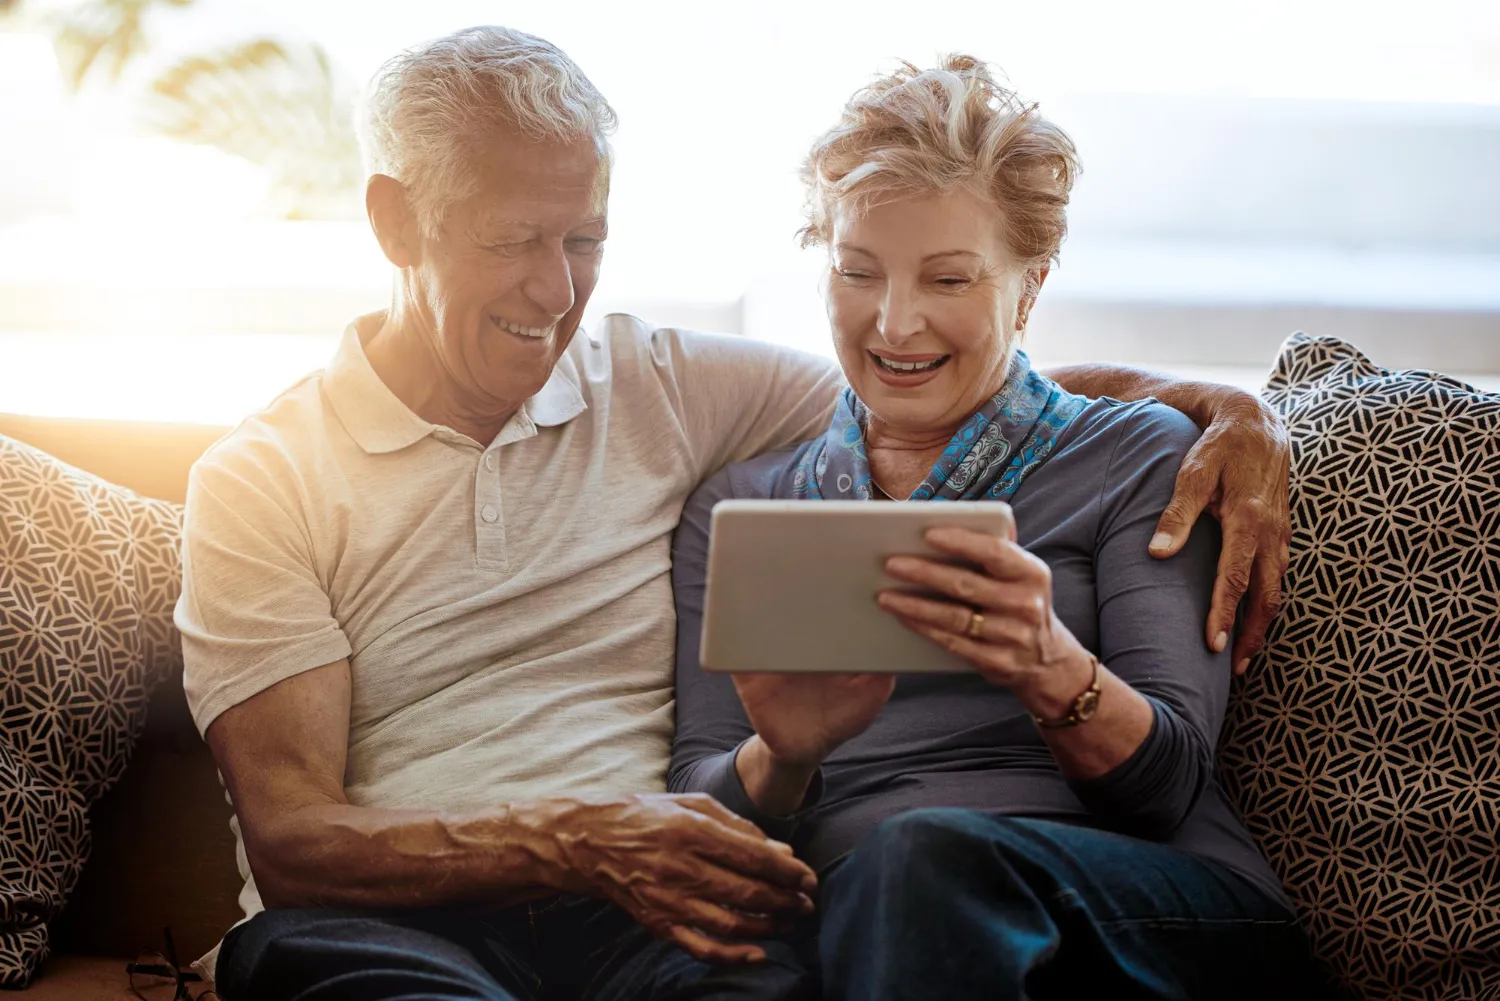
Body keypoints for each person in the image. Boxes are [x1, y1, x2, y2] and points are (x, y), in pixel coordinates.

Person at [178, 27, 1294, 1001]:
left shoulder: (669, 391)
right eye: (514, 239)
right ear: (395, 222)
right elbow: (292, 839)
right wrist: (750, 768)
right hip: (465, 923)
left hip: (788, 908)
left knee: (847, 909)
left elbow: (954, 390)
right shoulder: (269, 479)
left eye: (584, 241)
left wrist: (1219, 405)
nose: (556, 293)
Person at [670, 56, 1318, 1001]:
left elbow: (1167, 784)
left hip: (1147, 915)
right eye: (857, 271)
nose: (895, 323)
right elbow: (700, 813)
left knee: (918, 860)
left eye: (948, 278)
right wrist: (784, 756)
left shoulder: (1139, 453)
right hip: (870, 925)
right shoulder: (740, 506)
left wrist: (1047, 665)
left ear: (1028, 289)